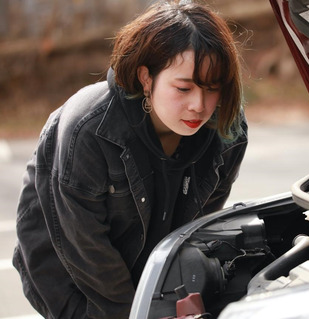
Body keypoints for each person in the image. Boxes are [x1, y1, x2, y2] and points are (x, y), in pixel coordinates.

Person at [12, 1, 248, 318]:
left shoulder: (226, 129)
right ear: (146, 78)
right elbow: (85, 247)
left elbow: (203, 219)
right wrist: (134, 313)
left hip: (152, 275)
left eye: (212, 88)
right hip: (70, 274)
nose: (199, 105)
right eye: (183, 88)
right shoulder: (90, 129)